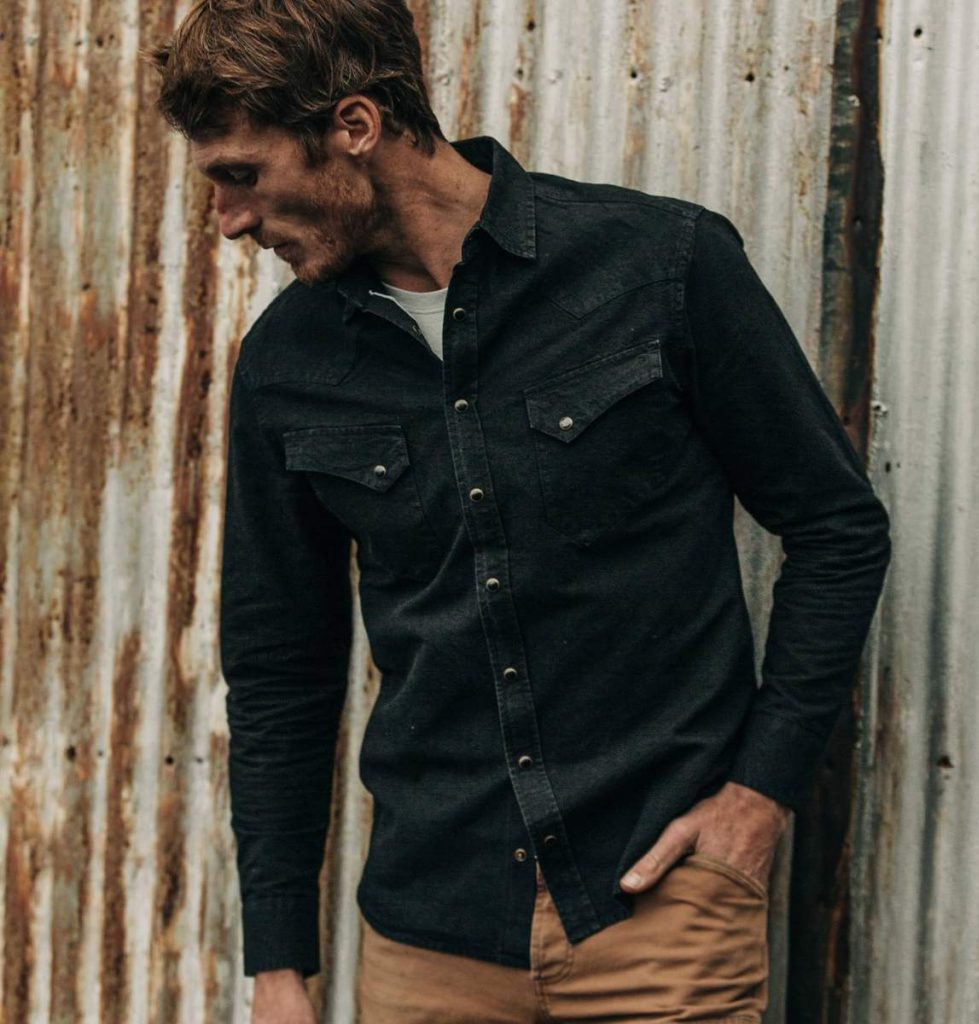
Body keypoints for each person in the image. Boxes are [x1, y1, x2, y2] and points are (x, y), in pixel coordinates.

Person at [147, 1, 892, 1021]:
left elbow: (836, 526)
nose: (228, 218)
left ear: (354, 125)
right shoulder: (288, 364)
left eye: (240, 173)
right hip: (428, 933)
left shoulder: (659, 265)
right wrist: (279, 964)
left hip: (658, 907)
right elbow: (280, 667)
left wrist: (759, 795)